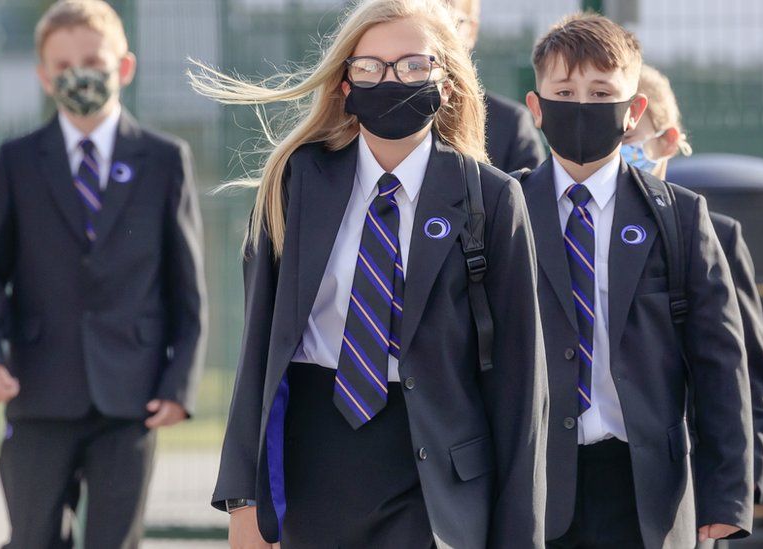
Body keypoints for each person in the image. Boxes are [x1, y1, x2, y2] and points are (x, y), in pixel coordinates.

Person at [192, 0, 548, 547]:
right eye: (370, 67)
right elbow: (260, 345)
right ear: (345, 85)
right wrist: (243, 496)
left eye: (412, 65)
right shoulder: (297, 180)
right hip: (313, 461)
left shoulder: (493, 198)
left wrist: (518, 534)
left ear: (447, 83)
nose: (391, 80)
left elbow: (522, 384)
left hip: (434, 478)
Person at [0, 1, 207, 546]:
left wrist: (179, 382)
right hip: (39, 390)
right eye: (62, 65)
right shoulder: (18, 161)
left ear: (125, 67)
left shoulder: (164, 160)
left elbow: (187, 287)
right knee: (32, 536)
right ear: (44, 77)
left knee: (114, 539)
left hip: (130, 395)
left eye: (92, 59)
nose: (78, 74)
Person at [518, 13, 754, 547]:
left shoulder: (679, 216)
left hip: (646, 489)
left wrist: (726, 495)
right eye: (564, 90)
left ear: (633, 112)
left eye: (602, 91)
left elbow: (721, 362)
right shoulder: (503, 211)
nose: (582, 104)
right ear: (536, 108)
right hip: (531, 484)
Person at [623, 64, 763, 506]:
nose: (616, 154)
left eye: (628, 141)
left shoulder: (715, 236)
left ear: (668, 141)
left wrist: (731, 493)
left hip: (688, 493)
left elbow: (754, 384)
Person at [445, 0, 546, 172]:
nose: (436, 33)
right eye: (426, 21)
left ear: (472, 30)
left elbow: (531, 196)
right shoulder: (391, 115)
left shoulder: (511, 124)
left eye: (449, 21)